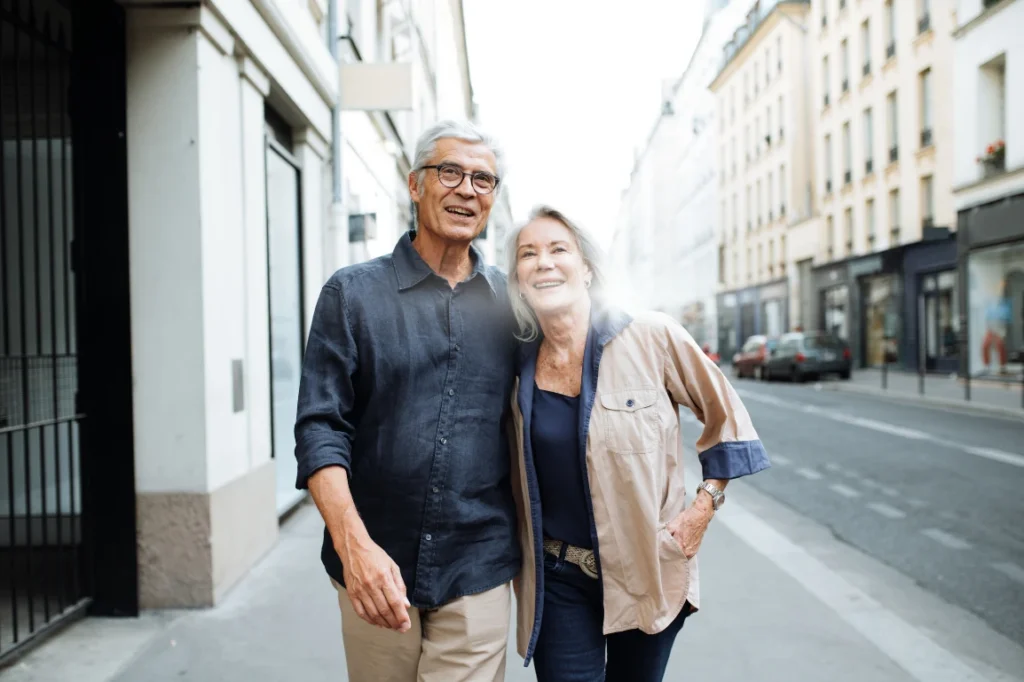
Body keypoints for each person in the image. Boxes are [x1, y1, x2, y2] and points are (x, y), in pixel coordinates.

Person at [293, 120, 519, 682]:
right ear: (414, 185)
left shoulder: (514, 309)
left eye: (484, 180)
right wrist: (355, 548)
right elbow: (320, 429)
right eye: (450, 172)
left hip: (478, 564)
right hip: (373, 564)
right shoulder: (350, 295)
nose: (467, 189)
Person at [505, 206, 771, 682]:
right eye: (529, 254)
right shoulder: (514, 361)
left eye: (558, 249)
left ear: (586, 268)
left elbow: (727, 418)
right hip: (558, 576)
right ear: (519, 278)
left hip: (647, 566)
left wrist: (702, 509)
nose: (543, 262)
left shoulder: (650, 335)